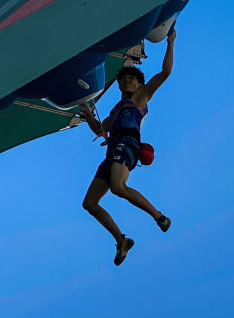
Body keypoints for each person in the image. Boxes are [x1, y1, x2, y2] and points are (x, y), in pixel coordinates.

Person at [79, 28, 176, 265]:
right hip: (112, 150)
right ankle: (122, 240)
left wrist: (170, 43)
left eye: (131, 78)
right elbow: (100, 129)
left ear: (139, 83)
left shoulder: (140, 96)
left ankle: (159, 216)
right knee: (90, 203)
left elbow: (165, 73)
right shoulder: (116, 108)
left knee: (118, 188)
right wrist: (87, 114)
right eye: (123, 79)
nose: (126, 80)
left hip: (127, 143)